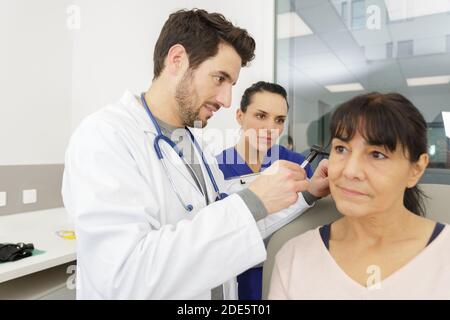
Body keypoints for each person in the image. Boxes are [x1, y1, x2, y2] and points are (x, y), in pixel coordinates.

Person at [62, 9, 329, 299]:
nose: (226, 100)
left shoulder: (192, 145)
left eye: (232, 85)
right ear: (177, 60)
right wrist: (252, 201)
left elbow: (234, 226)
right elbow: (123, 278)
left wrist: (306, 195)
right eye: (219, 79)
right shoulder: (106, 136)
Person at [269, 92, 450, 300]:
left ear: (416, 169)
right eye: (341, 149)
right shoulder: (294, 258)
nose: (350, 171)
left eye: (377, 154)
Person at [216, 81, 317, 300]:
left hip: (291, 278)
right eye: (261, 116)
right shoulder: (216, 169)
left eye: (279, 120)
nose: (271, 128)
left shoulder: (297, 165)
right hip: (238, 284)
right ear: (239, 116)